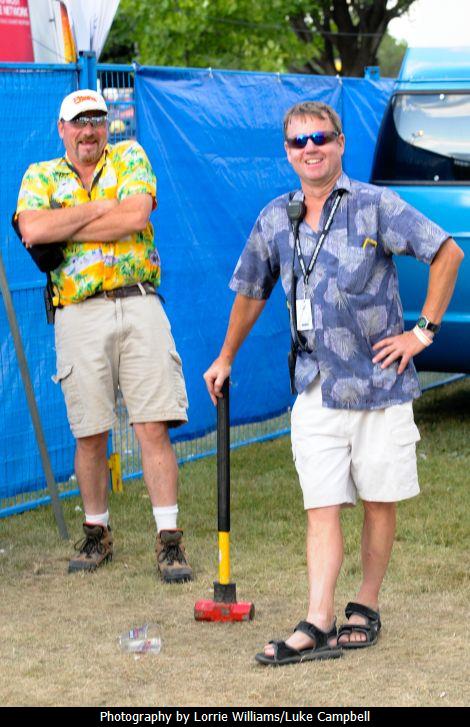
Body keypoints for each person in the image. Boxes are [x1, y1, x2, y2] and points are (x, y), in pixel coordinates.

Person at [203, 101, 464, 665]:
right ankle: (318, 619)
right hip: (315, 386)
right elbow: (251, 291)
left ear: (340, 143)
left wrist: (422, 332)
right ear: (287, 152)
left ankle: (365, 605)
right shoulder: (277, 217)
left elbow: (447, 252)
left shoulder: (375, 205)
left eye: (320, 138)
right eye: (299, 141)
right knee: (321, 503)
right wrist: (225, 357)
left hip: (380, 384)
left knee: (378, 501)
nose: (311, 149)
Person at [15, 89, 192, 583]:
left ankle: (169, 539)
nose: (89, 130)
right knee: (89, 431)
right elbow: (32, 230)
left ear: (107, 124)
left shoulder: (130, 156)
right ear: (62, 128)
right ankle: (97, 533)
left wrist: (65, 223)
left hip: (139, 302)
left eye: (96, 120)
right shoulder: (40, 175)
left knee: (152, 426)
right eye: (79, 122)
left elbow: (136, 216)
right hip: (77, 312)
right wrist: (100, 210)